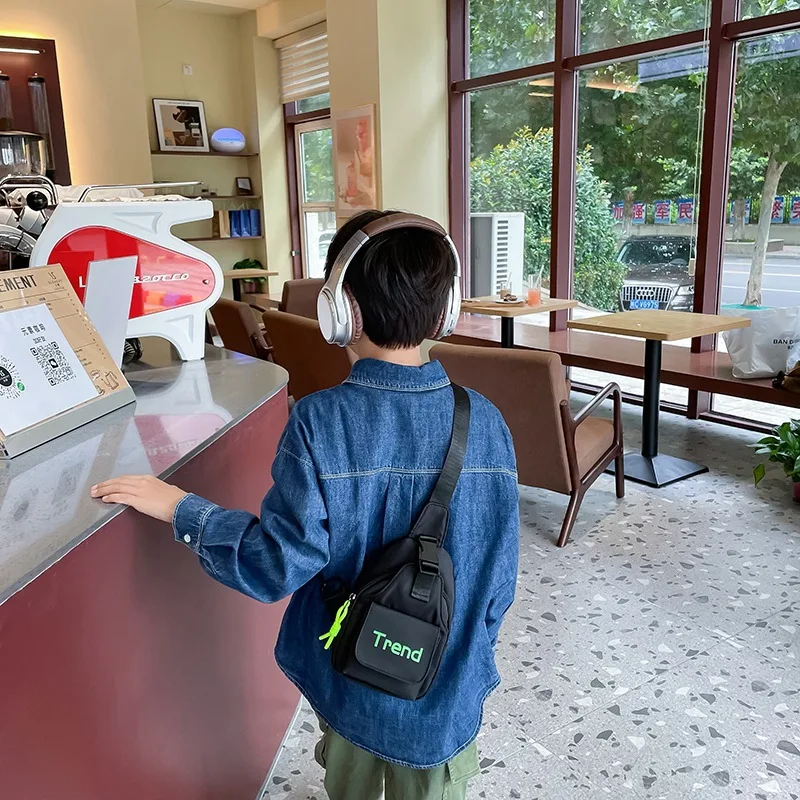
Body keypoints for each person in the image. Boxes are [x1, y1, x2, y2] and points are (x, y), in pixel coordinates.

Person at [91, 209, 520, 800]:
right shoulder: (488, 422)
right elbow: (499, 578)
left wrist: (184, 509)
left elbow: (276, 566)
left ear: (341, 310)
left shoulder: (320, 422)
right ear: (444, 311)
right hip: (445, 700)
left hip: (354, 688)